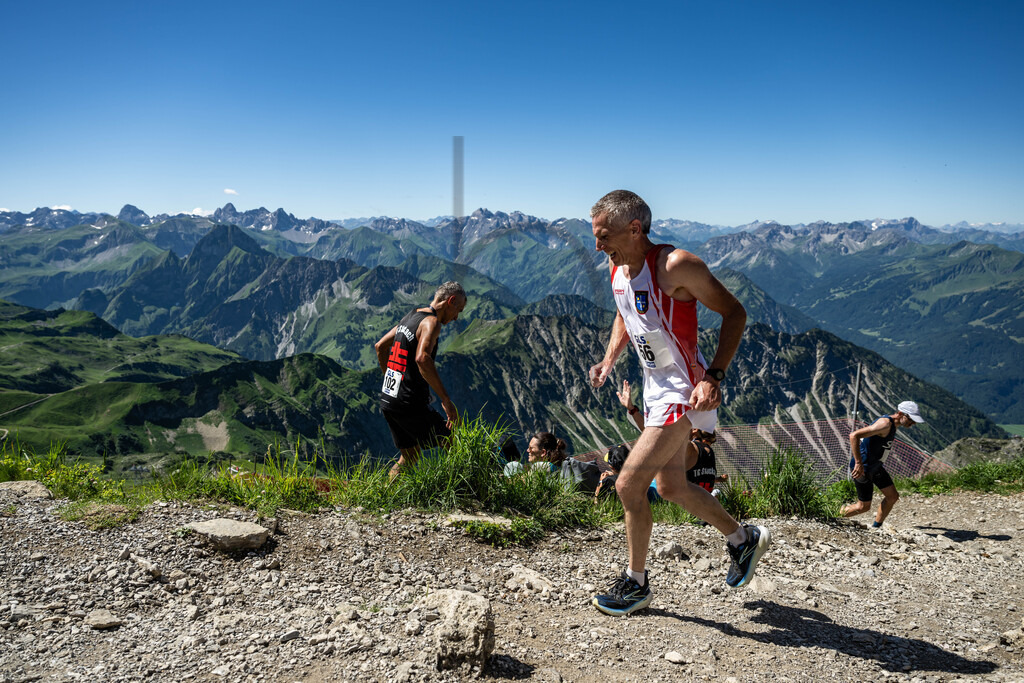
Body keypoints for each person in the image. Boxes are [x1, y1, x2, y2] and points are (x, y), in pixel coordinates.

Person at [588, 189, 770, 616]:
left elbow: (735, 313)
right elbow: (626, 313)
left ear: (635, 229)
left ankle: (636, 584)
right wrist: (609, 359)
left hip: (684, 391)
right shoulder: (618, 267)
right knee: (670, 487)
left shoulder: (675, 266)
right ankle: (743, 539)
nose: (597, 246)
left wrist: (713, 376)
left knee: (628, 484)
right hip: (654, 389)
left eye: (604, 235)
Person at [374, 281, 467, 479]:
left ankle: (386, 494)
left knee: (410, 455)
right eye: (458, 310)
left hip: (389, 398)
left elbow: (380, 346)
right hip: (409, 402)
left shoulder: (412, 315)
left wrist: (391, 380)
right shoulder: (431, 323)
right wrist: (446, 400)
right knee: (453, 442)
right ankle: (467, 492)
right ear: (450, 301)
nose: (456, 317)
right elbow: (422, 358)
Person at [841, 400, 925, 528]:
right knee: (863, 506)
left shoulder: (894, 424)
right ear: (900, 414)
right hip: (864, 467)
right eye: (911, 419)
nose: (913, 423)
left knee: (892, 496)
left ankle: (876, 528)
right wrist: (858, 463)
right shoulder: (885, 424)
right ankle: (827, 514)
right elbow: (854, 436)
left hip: (875, 466)